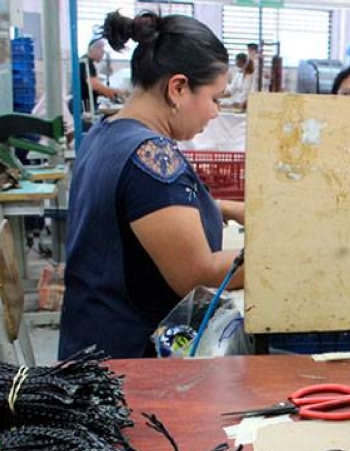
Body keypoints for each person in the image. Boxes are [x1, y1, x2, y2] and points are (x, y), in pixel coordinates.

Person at [59, 11, 245, 360]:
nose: (215, 112)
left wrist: (224, 207)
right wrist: (281, 259)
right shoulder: (151, 159)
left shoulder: (106, 133)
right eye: (215, 98)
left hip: (89, 348)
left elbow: (141, 209)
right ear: (178, 88)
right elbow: (197, 273)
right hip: (129, 367)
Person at [78, 37, 123, 116]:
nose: (103, 54)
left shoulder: (86, 61)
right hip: (84, 105)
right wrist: (116, 92)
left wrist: (110, 92)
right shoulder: (87, 62)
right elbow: (95, 85)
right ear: (92, 49)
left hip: (85, 102)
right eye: (101, 50)